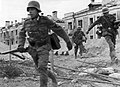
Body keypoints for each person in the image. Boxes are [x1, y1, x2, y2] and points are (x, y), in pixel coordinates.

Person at [17, 1, 72, 87]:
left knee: (42, 67)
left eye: (32, 9)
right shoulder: (26, 22)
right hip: (33, 48)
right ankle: (53, 78)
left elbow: (58, 29)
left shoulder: (45, 20)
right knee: (39, 68)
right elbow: (21, 34)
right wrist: (20, 45)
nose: (30, 12)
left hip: (44, 47)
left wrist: (67, 41)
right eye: (29, 10)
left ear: (37, 11)